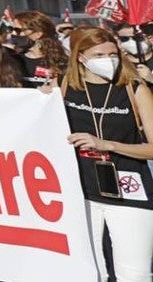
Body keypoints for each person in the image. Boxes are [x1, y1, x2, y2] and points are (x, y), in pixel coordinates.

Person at [59, 26, 153, 281]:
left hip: (129, 190)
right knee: (89, 272)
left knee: (135, 275)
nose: (108, 60)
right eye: (99, 55)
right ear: (80, 56)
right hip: (81, 192)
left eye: (113, 53)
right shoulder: (63, 86)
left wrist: (108, 145)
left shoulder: (134, 89)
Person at [10, 10, 69, 89]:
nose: (13, 33)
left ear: (38, 34)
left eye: (18, 30)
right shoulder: (13, 60)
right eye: (11, 29)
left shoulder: (61, 61)